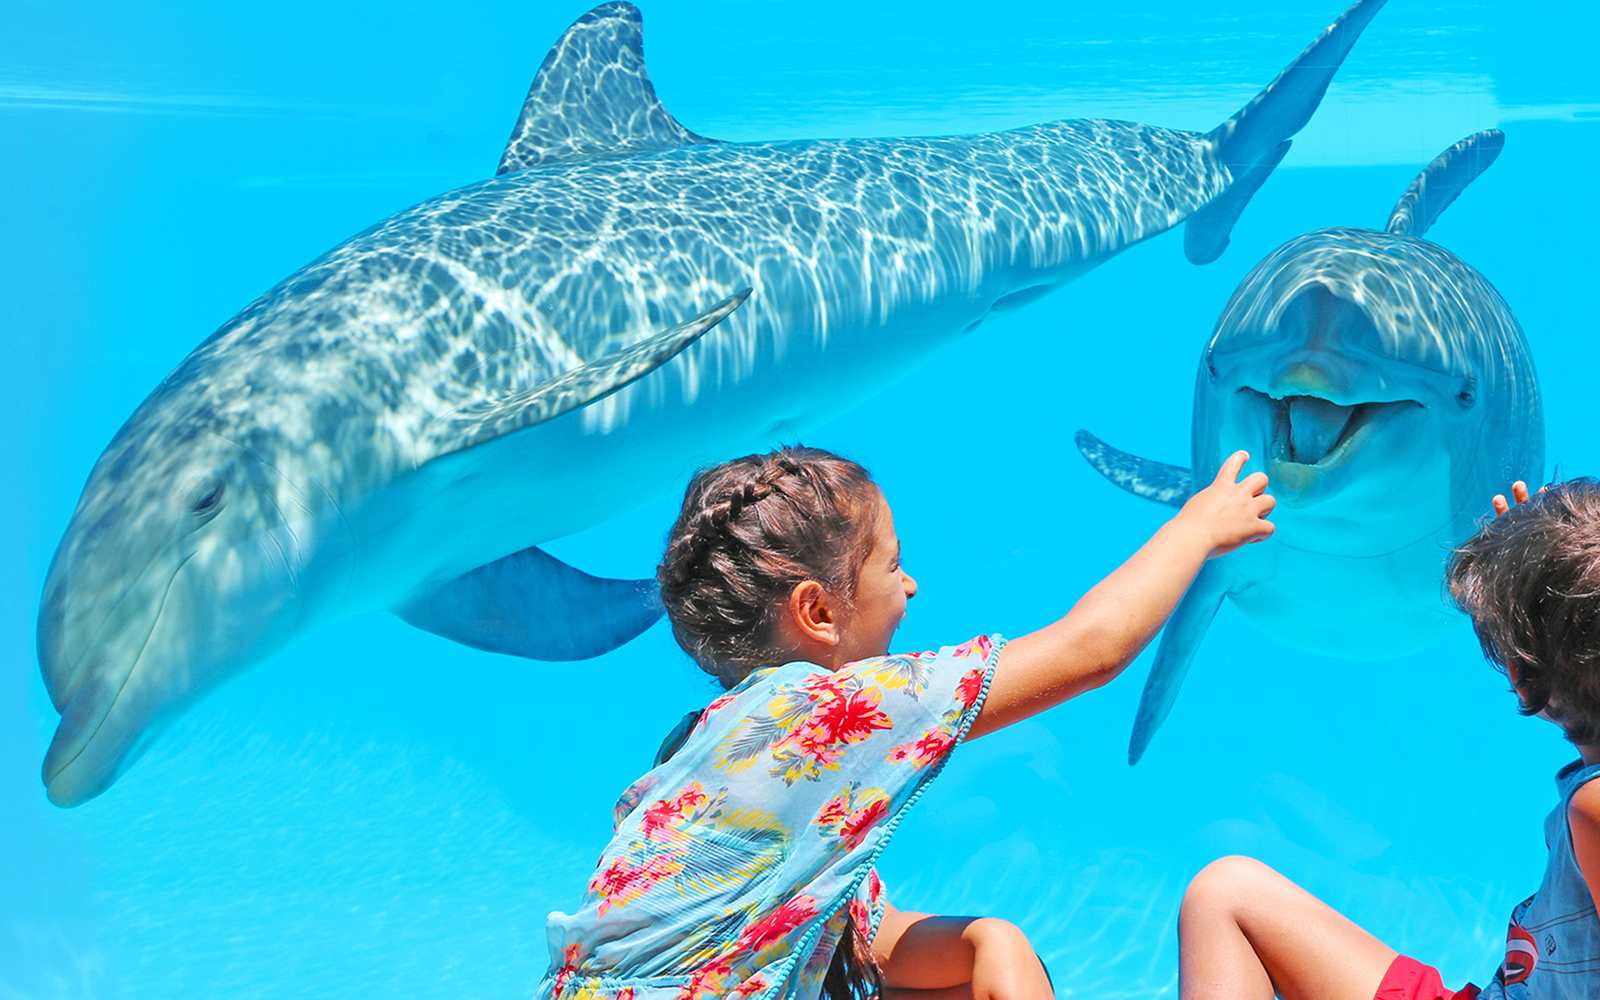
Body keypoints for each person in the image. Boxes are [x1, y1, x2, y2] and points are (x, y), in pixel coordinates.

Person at [536, 445, 1275, 1000]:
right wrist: (1200, 528)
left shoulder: (698, 748)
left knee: (972, 953)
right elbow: (1091, 648)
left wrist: (994, 943)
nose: (912, 584)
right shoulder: (829, 708)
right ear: (818, 612)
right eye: (891, 565)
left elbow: (853, 938)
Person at [1175, 479, 1600, 1000]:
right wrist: (1518, 567)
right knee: (1230, 879)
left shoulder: (1594, 806)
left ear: (1519, 678)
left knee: (1222, 888)